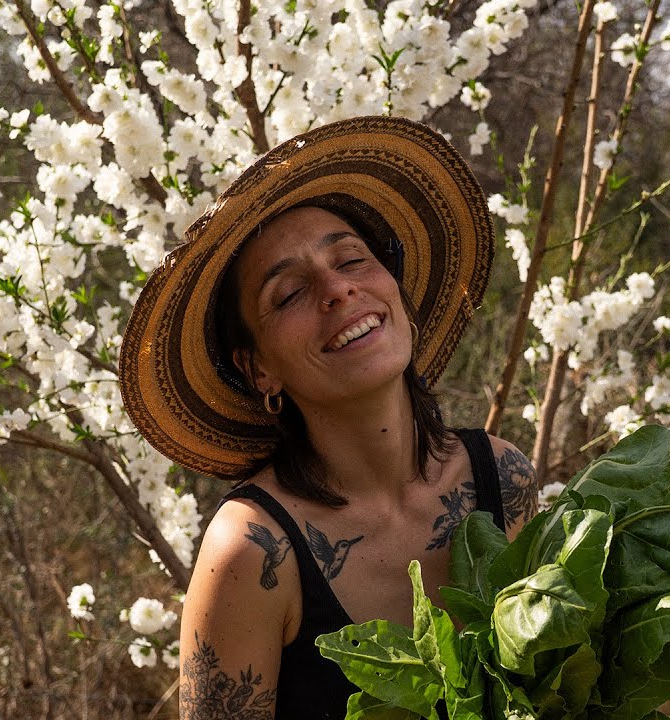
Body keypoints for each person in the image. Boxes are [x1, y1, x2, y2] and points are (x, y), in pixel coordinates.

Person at [119, 116, 538, 720]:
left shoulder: (503, 477)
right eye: (288, 294)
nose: (338, 291)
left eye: (352, 259)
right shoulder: (251, 553)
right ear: (259, 368)